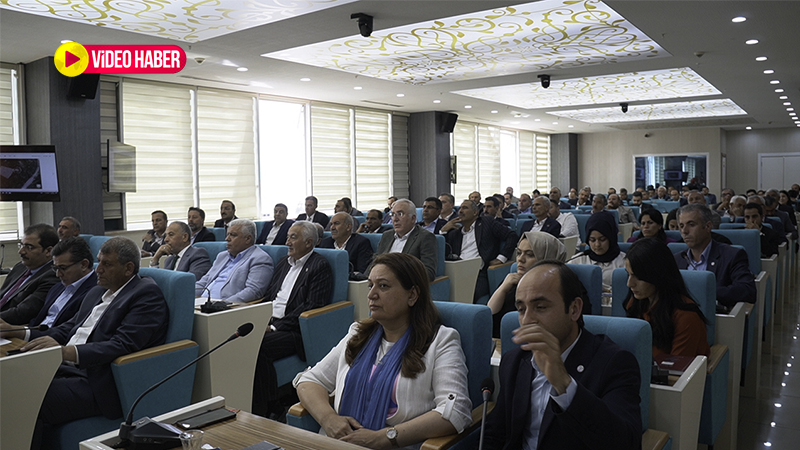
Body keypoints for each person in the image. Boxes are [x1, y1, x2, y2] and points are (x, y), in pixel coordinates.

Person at [0, 237, 168, 450]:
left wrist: (65, 352)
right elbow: (68, 328)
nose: (98, 269)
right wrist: (20, 332)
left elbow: (122, 344)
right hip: (61, 368)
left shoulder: (145, 295)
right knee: (8, 381)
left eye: (107, 264)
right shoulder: (97, 290)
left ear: (128, 269)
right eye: (99, 261)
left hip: (94, 381)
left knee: (20, 397)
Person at [295, 253, 472, 449]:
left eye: (383, 286)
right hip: (337, 443)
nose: (371, 295)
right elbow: (310, 380)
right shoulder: (358, 334)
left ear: (412, 295)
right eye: (370, 285)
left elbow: (456, 411)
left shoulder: (440, 341)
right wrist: (328, 418)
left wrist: (383, 437)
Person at [483, 260, 642, 450]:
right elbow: (496, 434)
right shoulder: (514, 361)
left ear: (574, 309)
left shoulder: (614, 362)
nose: (527, 320)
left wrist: (564, 384)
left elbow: (626, 443)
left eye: (540, 307)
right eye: (521, 309)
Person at [253, 221, 334, 418]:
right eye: (288, 236)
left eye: (293, 237)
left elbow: (311, 307)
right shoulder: (283, 262)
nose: (287, 242)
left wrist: (274, 327)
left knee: (256, 346)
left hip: (294, 329)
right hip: (269, 320)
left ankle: (270, 407)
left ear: (308, 242)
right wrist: (254, 315)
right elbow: (270, 296)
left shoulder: (319, 266)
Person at [623, 238, 710, 358]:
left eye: (638, 277)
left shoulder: (686, 316)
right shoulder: (636, 303)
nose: (629, 284)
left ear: (657, 275)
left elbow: (677, 365)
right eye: (628, 274)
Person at [673, 204, 756, 309]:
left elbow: (748, 290)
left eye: (691, 225)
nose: (684, 231)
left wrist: (704, 291)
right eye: (681, 226)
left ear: (708, 226)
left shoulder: (732, 255)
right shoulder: (676, 260)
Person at [488, 232, 567, 337]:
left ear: (547, 257)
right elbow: (488, 318)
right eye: (519, 253)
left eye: (529, 255)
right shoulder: (512, 282)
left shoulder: (563, 285)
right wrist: (502, 289)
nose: (520, 259)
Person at [442, 200, 516, 302]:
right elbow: (444, 251)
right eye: (460, 208)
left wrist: (501, 258)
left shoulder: (487, 223)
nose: (460, 211)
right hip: (458, 271)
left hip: (479, 273)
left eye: (465, 208)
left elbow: (511, 236)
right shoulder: (455, 233)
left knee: (467, 293)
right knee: (443, 291)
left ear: (475, 212)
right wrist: (443, 231)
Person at [195, 219, 274, 303]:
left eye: (233, 235)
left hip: (228, 307)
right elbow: (205, 281)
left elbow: (253, 291)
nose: (227, 239)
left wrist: (223, 304)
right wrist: (187, 293)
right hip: (202, 302)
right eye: (227, 234)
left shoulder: (260, 259)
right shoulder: (222, 256)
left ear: (248, 239)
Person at [28, 237, 97, 329]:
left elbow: (69, 330)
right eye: (56, 268)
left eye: (63, 268)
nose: (58, 274)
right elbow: (38, 321)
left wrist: (26, 334)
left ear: (84, 264)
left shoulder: (96, 292)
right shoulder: (57, 287)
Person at [0, 224, 59, 324]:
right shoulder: (20, 267)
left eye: (29, 247)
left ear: (49, 251)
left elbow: (22, 313)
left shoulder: (53, 276)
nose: (21, 251)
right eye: (21, 245)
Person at [376, 199, 437, 282]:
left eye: (400, 214)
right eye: (392, 214)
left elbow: (429, 273)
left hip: (403, 283)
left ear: (413, 218)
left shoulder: (425, 237)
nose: (395, 219)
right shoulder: (387, 235)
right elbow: (376, 261)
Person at [568, 211, 625, 294]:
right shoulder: (577, 261)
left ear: (611, 238)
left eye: (602, 239)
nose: (597, 244)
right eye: (592, 240)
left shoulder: (624, 262)